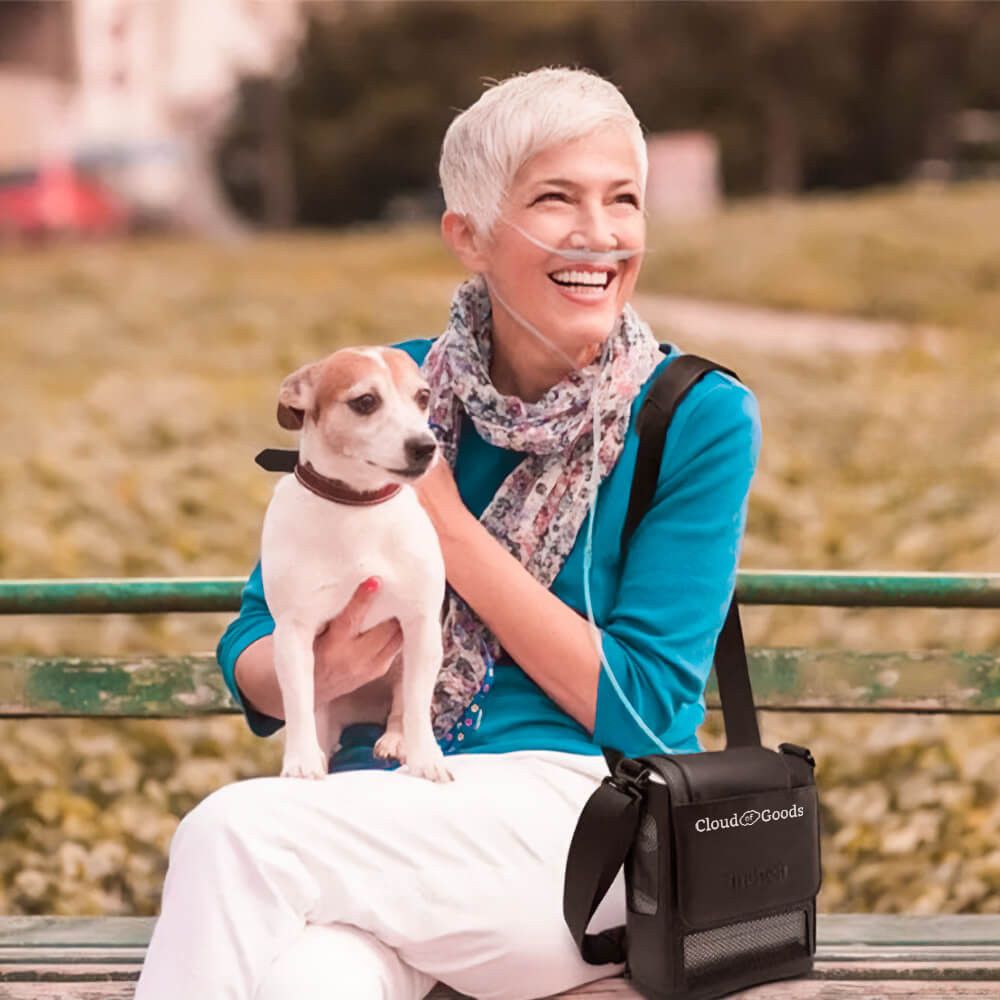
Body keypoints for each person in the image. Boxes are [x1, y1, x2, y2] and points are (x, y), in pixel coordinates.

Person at [134, 66, 761, 1000]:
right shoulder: (393, 389)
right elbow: (256, 639)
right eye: (556, 198)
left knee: (233, 833)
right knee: (305, 981)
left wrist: (446, 527)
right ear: (467, 235)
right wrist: (325, 663)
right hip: (375, 812)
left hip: (578, 825)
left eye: (623, 200)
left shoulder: (693, 415)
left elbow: (645, 712)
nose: (600, 233)